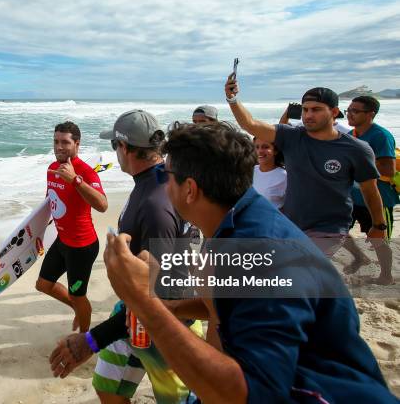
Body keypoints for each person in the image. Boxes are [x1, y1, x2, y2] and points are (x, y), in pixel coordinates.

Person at [103, 122, 397, 403]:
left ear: (190, 189)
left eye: (168, 177)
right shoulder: (237, 221)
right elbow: (226, 300)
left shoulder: (260, 257)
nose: (164, 187)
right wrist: (173, 307)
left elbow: (247, 395)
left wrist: (145, 301)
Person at [49, 110, 201, 404]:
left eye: (114, 146)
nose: (114, 154)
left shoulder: (155, 204)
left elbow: (162, 294)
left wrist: (91, 340)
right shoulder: (156, 180)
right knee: (107, 386)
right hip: (132, 312)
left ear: (125, 148)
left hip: (168, 324)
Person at [225, 76, 386, 256]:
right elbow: (251, 124)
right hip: (292, 225)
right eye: (305, 110)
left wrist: (379, 225)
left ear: (334, 112)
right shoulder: (291, 137)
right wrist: (232, 99)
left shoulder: (357, 149)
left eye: (316, 110)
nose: (308, 115)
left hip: (329, 228)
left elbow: (370, 190)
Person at [36, 121, 108, 332]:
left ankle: (85, 339)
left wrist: (75, 180)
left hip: (82, 247)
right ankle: (81, 308)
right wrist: (40, 234)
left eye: (65, 142)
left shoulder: (86, 173)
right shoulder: (52, 169)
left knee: (78, 295)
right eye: (56, 141)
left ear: (77, 143)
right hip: (62, 241)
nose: (59, 146)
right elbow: (52, 201)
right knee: (43, 285)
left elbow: (103, 205)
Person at [343, 96, 397, 285]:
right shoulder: (352, 134)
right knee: (336, 230)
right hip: (352, 197)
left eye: (355, 111)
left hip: (378, 199)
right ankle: (360, 257)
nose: (349, 114)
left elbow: (389, 170)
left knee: (378, 239)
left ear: (370, 114)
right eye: (348, 110)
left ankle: (386, 276)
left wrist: (360, 163)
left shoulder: (380, 135)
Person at [252, 137, 286, 208]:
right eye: (257, 147)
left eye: (265, 147)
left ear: (275, 151)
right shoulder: (249, 171)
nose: (260, 151)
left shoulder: (284, 176)